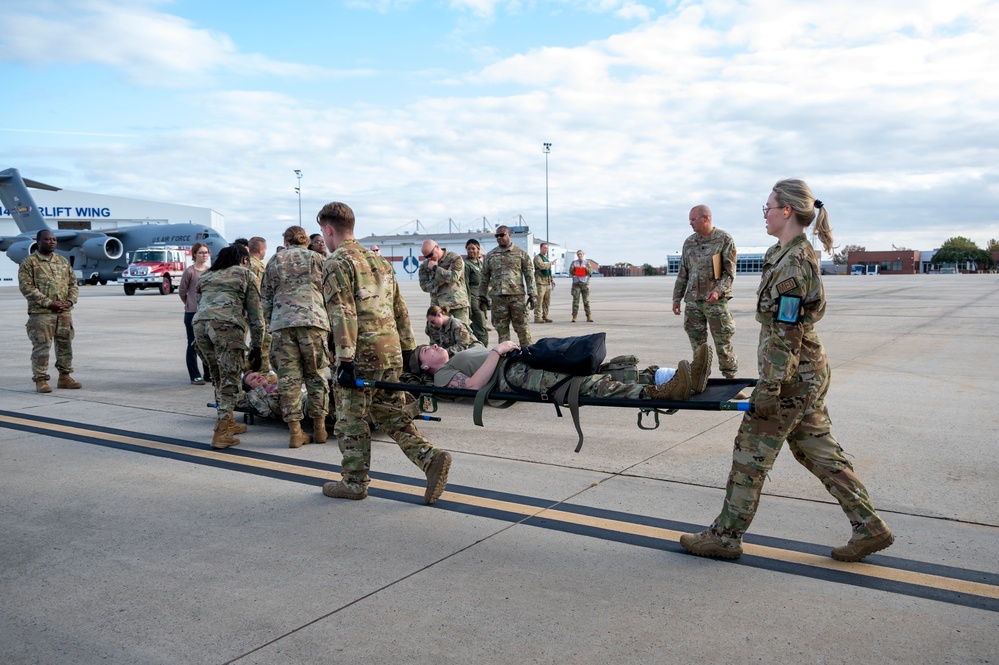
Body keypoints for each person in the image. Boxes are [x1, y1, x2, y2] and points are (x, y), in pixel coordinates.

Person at [680, 179, 894, 563]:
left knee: (751, 451)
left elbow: (787, 329)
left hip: (792, 376)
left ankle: (725, 536)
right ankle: (870, 527)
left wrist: (771, 386)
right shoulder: (780, 253)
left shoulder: (794, 262)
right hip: (805, 372)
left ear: (786, 211)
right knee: (817, 450)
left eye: (767, 207)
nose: (764, 214)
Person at [318, 201, 452, 504]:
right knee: (389, 413)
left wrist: (345, 360)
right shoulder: (379, 262)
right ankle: (430, 459)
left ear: (328, 229)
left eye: (323, 233)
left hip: (361, 354)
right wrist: (406, 351)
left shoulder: (337, 261)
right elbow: (400, 310)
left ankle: (354, 483)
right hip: (389, 351)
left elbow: (343, 313)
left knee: (350, 418)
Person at [409, 340, 713, 402]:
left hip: (519, 360)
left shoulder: (457, 351)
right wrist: (496, 351)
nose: (433, 346)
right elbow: (473, 386)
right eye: (427, 350)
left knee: (596, 367)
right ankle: (657, 392)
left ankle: (671, 377)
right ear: (425, 365)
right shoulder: (442, 375)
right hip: (512, 375)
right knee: (579, 384)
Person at [261, 226, 330, 448]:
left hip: (282, 325)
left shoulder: (274, 261)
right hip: (314, 322)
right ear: (305, 240)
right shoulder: (317, 259)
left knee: (288, 380)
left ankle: (295, 433)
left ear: (286, 240)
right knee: (316, 375)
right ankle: (320, 430)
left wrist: (273, 321)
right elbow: (329, 292)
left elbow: (266, 299)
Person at [193, 244, 265, 449]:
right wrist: (257, 347)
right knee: (230, 378)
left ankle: (229, 421)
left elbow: (200, 305)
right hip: (226, 327)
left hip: (200, 327)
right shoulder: (246, 275)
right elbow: (256, 316)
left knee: (217, 377)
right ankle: (221, 432)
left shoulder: (206, 276)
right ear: (244, 260)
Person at [672, 205, 740, 380]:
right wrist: (676, 298)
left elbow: (729, 273)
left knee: (723, 341)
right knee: (697, 345)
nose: (691, 223)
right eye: (689, 220)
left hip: (715, 302)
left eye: (693, 219)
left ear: (706, 218)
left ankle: (730, 378)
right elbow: (683, 272)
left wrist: (718, 291)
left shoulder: (724, 239)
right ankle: (701, 379)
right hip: (693, 301)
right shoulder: (689, 243)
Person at [18, 229, 82, 393]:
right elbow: (27, 288)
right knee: (42, 347)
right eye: (47, 239)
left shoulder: (62, 261)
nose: (52, 242)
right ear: (38, 242)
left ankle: (65, 377)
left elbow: (73, 284)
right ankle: (41, 380)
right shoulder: (29, 263)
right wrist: (48, 303)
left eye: (54, 239)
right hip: (42, 314)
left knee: (65, 345)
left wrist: (69, 301)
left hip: (64, 313)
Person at [479, 225, 536, 345]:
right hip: (498, 299)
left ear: (509, 235)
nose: (499, 237)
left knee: (523, 329)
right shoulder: (491, 255)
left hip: (517, 298)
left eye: (502, 235)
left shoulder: (521, 254)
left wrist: (533, 294)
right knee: (502, 331)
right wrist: (482, 296)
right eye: (497, 236)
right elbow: (484, 277)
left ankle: (529, 356)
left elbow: (529, 275)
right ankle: (506, 358)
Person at [178, 242, 212, 385]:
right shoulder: (190, 271)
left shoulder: (210, 271)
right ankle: (195, 375)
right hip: (192, 313)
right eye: (201, 252)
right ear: (194, 255)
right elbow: (182, 291)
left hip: (207, 313)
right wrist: (189, 303)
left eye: (206, 252)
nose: (204, 255)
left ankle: (208, 374)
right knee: (193, 344)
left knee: (208, 345)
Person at [419, 238, 470, 323]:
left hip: (456, 305)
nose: (429, 258)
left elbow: (454, 277)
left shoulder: (454, 258)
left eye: (430, 255)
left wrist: (435, 269)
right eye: (426, 257)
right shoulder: (425, 265)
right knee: (438, 334)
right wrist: (443, 280)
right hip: (437, 307)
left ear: (437, 247)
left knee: (461, 332)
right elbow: (424, 286)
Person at [246, 236, 272, 376]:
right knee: (263, 344)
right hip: (259, 311)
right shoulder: (257, 266)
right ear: (261, 250)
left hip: (247, 311)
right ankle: (262, 374)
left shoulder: (245, 263)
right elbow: (263, 290)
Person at [463, 239, 488, 346]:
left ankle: (475, 348)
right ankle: (484, 352)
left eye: (473, 248)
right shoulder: (466, 265)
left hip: (482, 298)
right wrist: (468, 305)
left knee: (476, 327)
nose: (471, 251)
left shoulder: (480, 263)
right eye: (468, 249)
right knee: (481, 327)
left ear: (478, 249)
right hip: (473, 298)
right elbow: (466, 286)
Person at [533, 242, 555, 324]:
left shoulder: (546, 258)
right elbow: (541, 266)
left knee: (547, 301)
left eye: (547, 248)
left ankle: (545, 315)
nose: (546, 249)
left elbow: (549, 271)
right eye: (544, 248)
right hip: (540, 283)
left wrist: (551, 280)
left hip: (547, 282)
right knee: (539, 300)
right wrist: (550, 264)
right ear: (540, 248)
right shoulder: (537, 258)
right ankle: (537, 317)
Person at [570, 249, 593, 323]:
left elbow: (590, 272)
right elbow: (571, 272)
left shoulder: (587, 263)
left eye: (581, 254)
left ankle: (588, 316)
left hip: (584, 284)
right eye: (578, 254)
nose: (580, 256)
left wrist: (585, 268)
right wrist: (575, 269)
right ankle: (574, 316)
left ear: (583, 255)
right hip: (576, 283)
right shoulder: (574, 263)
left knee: (586, 301)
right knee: (575, 301)